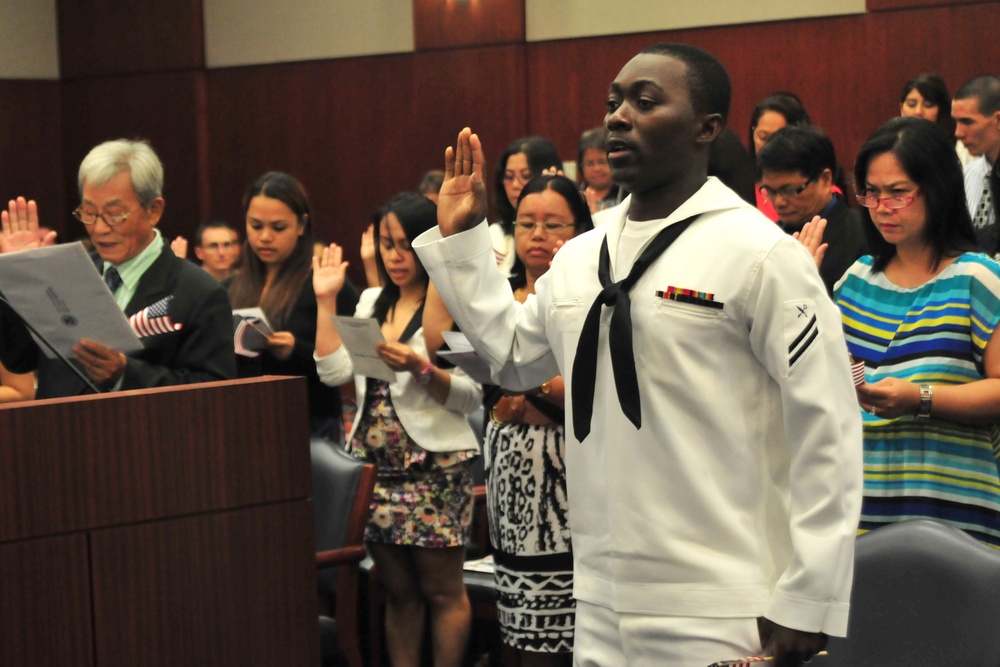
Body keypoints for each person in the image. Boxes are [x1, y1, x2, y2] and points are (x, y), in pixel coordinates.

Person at [414, 43, 862, 667]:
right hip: (597, 594)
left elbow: (829, 428)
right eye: (613, 103)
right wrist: (463, 239)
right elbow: (512, 358)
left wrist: (809, 597)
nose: (618, 117)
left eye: (645, 102)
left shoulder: (760, 254)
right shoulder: (580, 256)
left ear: (707, 127)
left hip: (723, 598)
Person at [313, 193, 482, 667]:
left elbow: (472, 396)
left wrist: (420, 369)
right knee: (399, 592)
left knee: (441, 591)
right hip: (376, 467)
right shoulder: (370, 299)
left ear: (428, 246)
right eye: (387, 244)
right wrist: (327, 300)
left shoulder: (450, 305)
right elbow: (331, 372)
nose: (394, 255)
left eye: (405, 245)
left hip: (434, 466)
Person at [833, 116, 1000, 547]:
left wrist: (918, 398)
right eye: (871, 193)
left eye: (898, 193)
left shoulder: (977, 278)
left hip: (955, 504)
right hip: (865, 502)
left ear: (938, 189)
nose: (882, 207)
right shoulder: (854, 283)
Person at [0, 140, 235, 398]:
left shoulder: (199, 292)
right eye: (88, 212)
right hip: (59, 431)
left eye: (114, 215)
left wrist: (125, 374)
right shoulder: (67, 274)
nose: (99, 229)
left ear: (153, 211)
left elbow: (215, 392)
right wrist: (17, 280)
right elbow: (20, 360)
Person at [483, 175, 591, 664]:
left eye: (553, 224)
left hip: (567, 488)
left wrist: (531, 384)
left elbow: (593, 389)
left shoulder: (589, 297)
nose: (538, 235)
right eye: (526, 223)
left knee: (563, 637)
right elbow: (489, 390)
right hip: (510, 481)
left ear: (581, 228)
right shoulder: (501, 301)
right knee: (517, 633)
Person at [227, 171, 359, 440]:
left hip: (309, 423)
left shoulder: (326, 286)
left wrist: (296, 350)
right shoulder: (229, 286)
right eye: (255, 225)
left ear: (301, 226)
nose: (264, 237)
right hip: (243, 419)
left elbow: (354, 365)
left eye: (278, 228)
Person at [756, 125, 868, 294]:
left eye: (790, 190)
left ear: (825, 179)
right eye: (770, 191)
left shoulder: (865, 235)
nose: (778, 202)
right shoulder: (765, 237)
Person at [492, 136, 562, 276]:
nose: (516, 185)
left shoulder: (571, 230)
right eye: (509, 177)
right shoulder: (495, 234)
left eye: (525, 176)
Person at [953, 74, 1000, 257]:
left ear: (998, 120)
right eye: (955, 122)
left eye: (967, 122)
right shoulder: (963, 177)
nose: (958, 133)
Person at [747, 92, 812, 221]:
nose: (768, 146)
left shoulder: (818, 190)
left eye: (778, 138)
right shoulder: (739, 187)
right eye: (763, 137)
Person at [899, 73, 970, 166]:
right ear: (901, 108)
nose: (918, 112)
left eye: (928, 105)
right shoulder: (892, 143)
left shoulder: (960, 147)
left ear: (942, 110)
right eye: (912, 104)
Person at [577, 127, 621, 213]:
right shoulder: (575, 196)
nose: (596, 168)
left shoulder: (626, 195)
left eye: (602, 162)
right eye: (590, 163)